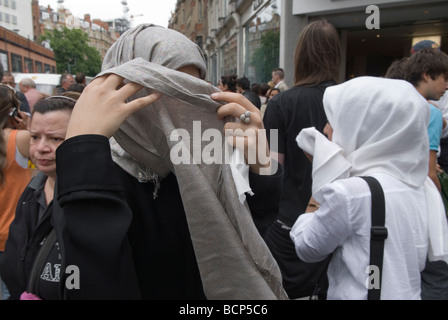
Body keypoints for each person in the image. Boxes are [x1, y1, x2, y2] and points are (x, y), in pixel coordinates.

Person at [51, 24, 287, 300]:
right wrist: (82, 151)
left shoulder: (200, 153)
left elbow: (248, 239)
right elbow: (89, 280)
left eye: (192, 92)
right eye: (167, 90)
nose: (184, 109)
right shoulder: (93, 170)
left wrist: (260, 163)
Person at [292, 76, 448, 300]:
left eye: (335, 121)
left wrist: (323, 181)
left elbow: (307, 248)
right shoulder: (422, 184)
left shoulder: (351, 193)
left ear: (362, 126)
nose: (326, 129)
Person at [262, 19, 342, 299]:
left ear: (300, 56)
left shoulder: (280, 104)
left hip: (288, 225)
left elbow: (270, 169)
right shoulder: (347, 102)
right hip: (338, 224)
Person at [0, 95, 77, 300]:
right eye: (34, 137)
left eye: (56, 138)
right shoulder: (31, 193)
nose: (41, 147)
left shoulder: (90, 201)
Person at [405, 47, 448, 300]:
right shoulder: (429, 111)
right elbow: (430, 172)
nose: (446, 85)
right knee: (437, 273)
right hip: (423, 201)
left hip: (396, 201)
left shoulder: (399, 104)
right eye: (443, 77)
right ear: (427, 74)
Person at [0, 84, 32, 300]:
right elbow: (45, 173)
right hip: (14, 239)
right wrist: (27, 128)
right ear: (13, 111)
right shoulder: (21, 139)